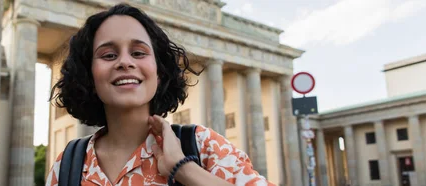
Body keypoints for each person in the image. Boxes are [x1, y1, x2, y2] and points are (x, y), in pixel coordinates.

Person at [46, 3, 274, 186]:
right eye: (108, 55)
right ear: (90, 76)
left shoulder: (203, 146)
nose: (125, 62)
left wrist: (184, 168)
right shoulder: (68, 164)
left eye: (138, 52)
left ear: (160, 74)